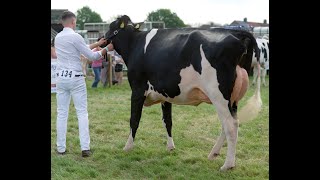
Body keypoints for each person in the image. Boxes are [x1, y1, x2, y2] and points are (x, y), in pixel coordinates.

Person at [54, 11, 114, 157]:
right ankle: (84, 148)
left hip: (61, 78)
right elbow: (92, 56)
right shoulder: (76, 36)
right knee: (81, 112)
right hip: (76, 78)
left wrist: (97, 44)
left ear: (63, 22)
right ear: (73, 22)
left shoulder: (57, 38)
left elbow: (79, 48)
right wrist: (106, 49)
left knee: (61, 113)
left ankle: (61, 148)